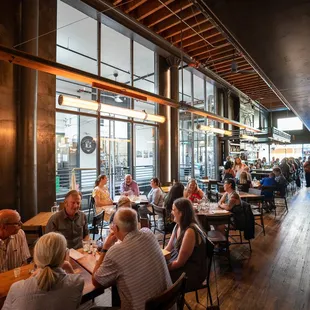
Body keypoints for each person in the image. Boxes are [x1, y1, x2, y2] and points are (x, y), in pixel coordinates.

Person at [92, 208, 172, 310]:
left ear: (115, 228)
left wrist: (105, 248)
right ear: (136, 223)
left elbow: (96, 281)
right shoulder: (149, 234)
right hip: (167, 304)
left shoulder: (115, 252)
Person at [3, 232, 84, 310]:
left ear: (36, 257)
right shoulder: (77, 282)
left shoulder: (16, 288)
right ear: (64, 256)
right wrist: (68, 266)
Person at [165, 198, 207, 291]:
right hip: (181, 263)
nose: (172, 212)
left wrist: (163, 268)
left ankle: (170, 303)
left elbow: (180, 263)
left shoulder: (190, 231)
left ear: (181, 213)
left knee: (160, 278)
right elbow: (168, 248)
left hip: (192, 272)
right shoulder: (178, 225)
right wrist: (158, 258)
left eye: (173, 209)